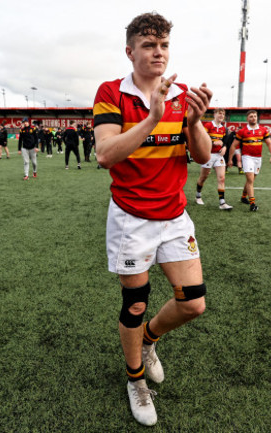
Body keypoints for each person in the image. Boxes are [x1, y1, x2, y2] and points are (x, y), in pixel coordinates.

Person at [93, 12, 212, 426]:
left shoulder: (182, 94)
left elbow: (201, 155)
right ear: (130, 51)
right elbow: (106, 154)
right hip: (131, 217)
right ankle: (135, 379)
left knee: (193, 304)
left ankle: (147, 341)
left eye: (163, 45)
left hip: (174, 215)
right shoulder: (111, 92)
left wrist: (193, 122)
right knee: (136, 302)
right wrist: (152, 117)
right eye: (148, 45)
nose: (157, 52)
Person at [227, 110, 271, 211]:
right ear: (247, 119)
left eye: (255, 116)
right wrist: (230, 159)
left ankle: (243, 197)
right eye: (251, 116)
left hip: (258, 158)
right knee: (250, 180)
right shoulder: (242, 131)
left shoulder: (263, 130)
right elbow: (233, 145)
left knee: (251, 180)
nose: (253, 118)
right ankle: (252, 204)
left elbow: (270, 143)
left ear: (257, 118)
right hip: (247, 157)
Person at [195, 108, 233, 210]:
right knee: (204, 177)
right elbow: (201, 139)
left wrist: (224, 147)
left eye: (223, 114)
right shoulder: (208, 125)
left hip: (219, 156)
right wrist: (213, 143)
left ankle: (222, 203)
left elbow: (225, 142)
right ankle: (198, 195)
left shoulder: (224, 128)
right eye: (219, 114)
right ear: (214, 114)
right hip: (208, 154)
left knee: (222, 178)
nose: (221, 116)